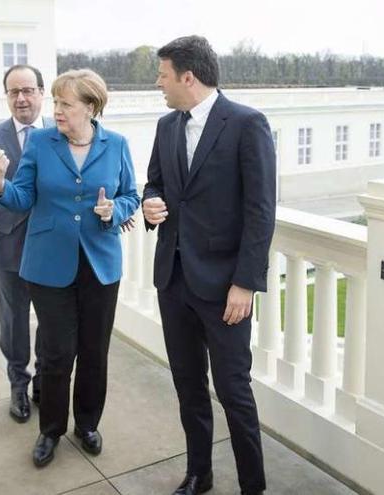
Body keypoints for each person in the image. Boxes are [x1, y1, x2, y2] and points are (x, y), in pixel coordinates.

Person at [0, 69, 140, 467]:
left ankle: (87, 424)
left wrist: (113, 209)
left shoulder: (117, 144)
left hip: (100, 264)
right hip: (49, 265)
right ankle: (50, 430)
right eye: (55, 103)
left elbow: (131, 195)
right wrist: (0, 184)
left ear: (90, 107)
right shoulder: (40, 142)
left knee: (94, 352)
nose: (57, 111)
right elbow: (22, 197)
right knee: (56, 353)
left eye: (65, 104)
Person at [143, 35, 276, 495]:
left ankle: (252, 487)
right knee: (188, 386)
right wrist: (150, 204)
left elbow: (261, 210)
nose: (158, 84)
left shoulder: (246, 124)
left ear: (187, 76)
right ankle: (199, 474)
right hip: (174, 281)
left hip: (225, 289)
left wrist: (245, 283)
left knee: (235, 393)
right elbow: (154, 183)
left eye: (162, 75)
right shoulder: (165, 126)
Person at [0, 64, 52, 423]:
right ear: (7, 96)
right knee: (14, 321)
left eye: (28, 90)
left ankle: (45, 381)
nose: (21, 98)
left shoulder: (59, 133)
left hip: (52, 249)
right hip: (9, 248)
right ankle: (19, 382)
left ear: (41, 93)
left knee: (52, 320)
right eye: (14, 92)